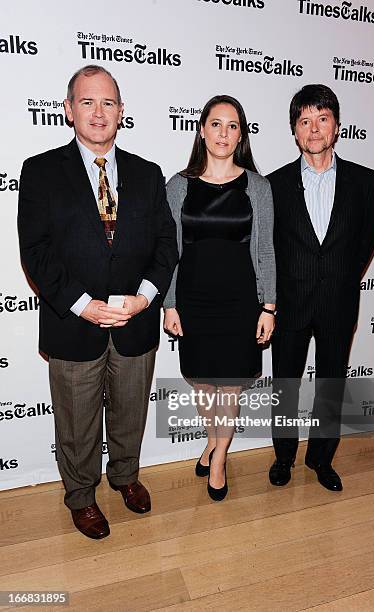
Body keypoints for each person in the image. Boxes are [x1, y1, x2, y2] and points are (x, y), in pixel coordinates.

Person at [17, 65, 178, 539]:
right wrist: (83, 304)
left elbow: (166, 247)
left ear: (122, 112)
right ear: (68, 110)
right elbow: (37, 253)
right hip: (74, 324)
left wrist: (145, 299)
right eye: (87, 102)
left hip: (136, 325)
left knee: (130, 412)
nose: (98, 112)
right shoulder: (41, 171)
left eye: (108, 102)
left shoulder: (149, 175)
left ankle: (126, 476)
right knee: (76, 424)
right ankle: (81, 496)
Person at [267, 84, 374, 491]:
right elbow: (269, 247)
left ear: (336, 126)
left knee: (332, 383)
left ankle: (321, 458)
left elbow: (367, 239)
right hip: (290, 304)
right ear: (294, 131)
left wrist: (343, 277)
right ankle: (283, 457)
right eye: (305, 121)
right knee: (285, 383)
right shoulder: (273, 185)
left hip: (338, 300)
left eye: (322, 119)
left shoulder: (366, 181)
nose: (314, 129)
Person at [163, 95, 276, 501]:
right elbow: (169, 250)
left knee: (229, 387)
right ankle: (213, 440)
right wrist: (169, 303)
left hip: (240, 303)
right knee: (203, 386)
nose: (223, 133)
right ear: (201, 130)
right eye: (216, 124)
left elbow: (265, 251)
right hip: (193, 302)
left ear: (241, 134)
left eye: (232, 125)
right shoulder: (178, 186)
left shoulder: (257, 187)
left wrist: (268, 306)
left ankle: (219, 458)